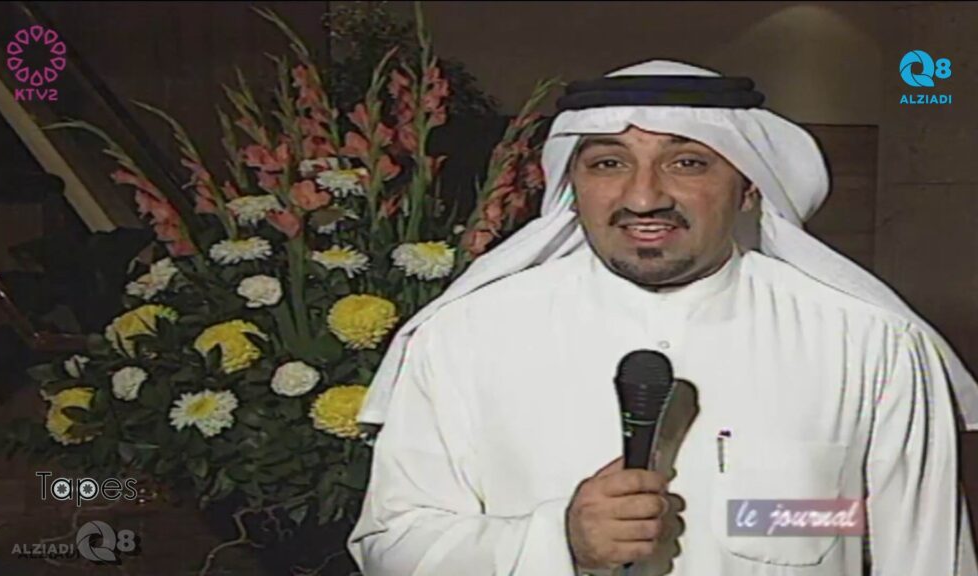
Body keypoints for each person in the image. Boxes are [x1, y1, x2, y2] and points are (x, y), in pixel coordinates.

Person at [346, 60, 978, 575]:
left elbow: (924, 557)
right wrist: (557, 543)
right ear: (572, 187)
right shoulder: (463, 339)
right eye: (609, 163)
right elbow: (392, 547)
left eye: (687, 162)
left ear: (749, 186)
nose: (644, 196)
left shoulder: (870, 344)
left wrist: (778, 515)